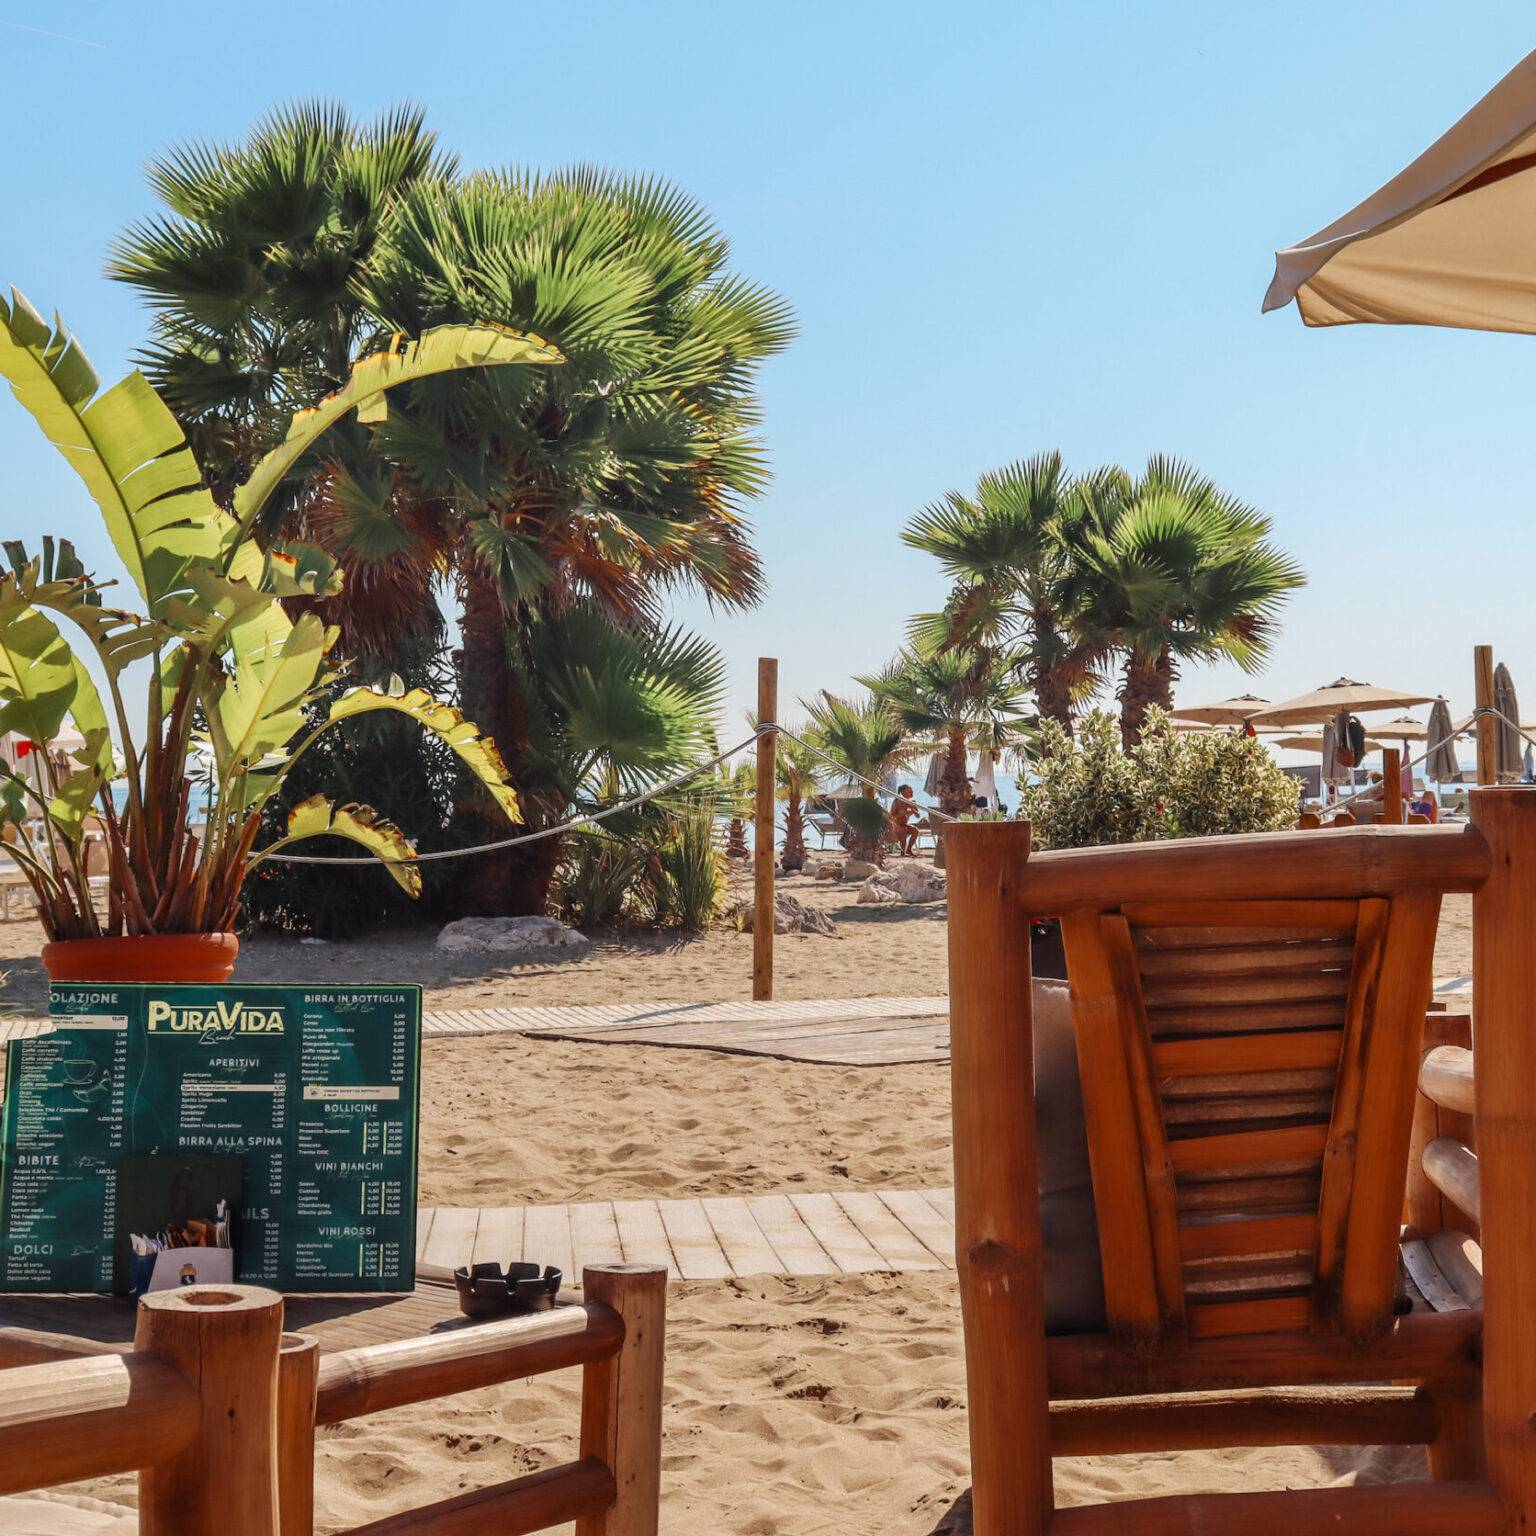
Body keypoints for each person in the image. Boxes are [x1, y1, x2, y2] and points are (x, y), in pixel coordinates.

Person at [889, 785, 922, 855]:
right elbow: (891, 815)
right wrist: (901, 814)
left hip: (904, 825)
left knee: (915, 830)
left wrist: (913, 809)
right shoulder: (897, 801)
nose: (912, 792)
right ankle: (902, 850)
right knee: (903, 829)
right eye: (910, 791)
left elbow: (918, 816)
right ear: (903, 792)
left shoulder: (912, 802)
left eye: (912, 790)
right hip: (896, 826)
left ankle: (908, 849)